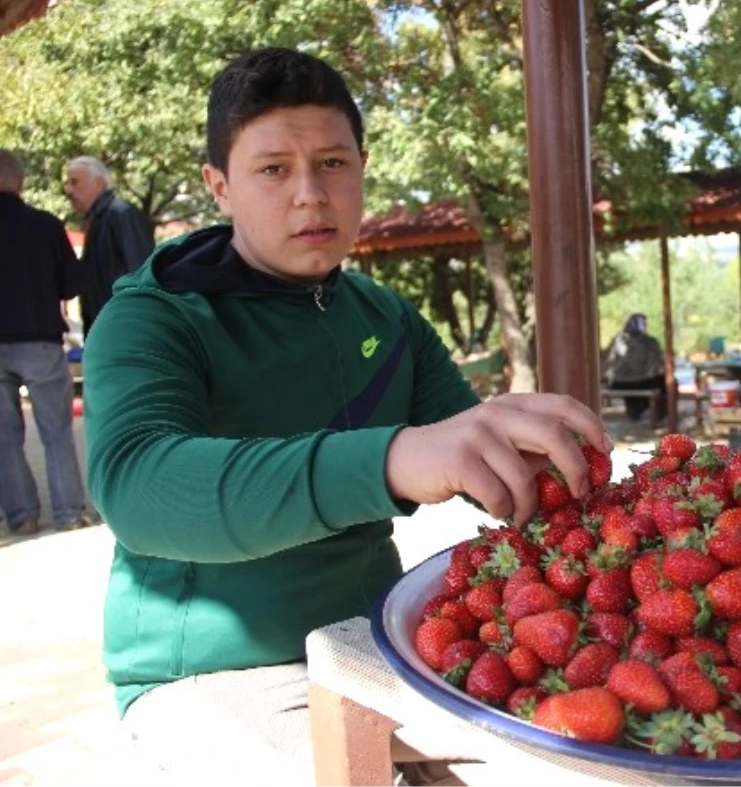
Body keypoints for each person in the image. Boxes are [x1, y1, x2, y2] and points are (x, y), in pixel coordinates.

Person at [83, 48, 611, 785]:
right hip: (210, 672)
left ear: (362, 166)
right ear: (219, 186)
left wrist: (566, 472)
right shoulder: (151, 317)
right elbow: (138, 488)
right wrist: (392, 458)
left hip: (378, 643)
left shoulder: (385, 316)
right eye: (273, 169)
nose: (311, 194)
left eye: (333, 163)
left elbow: (473, 453)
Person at [0, 150, 92, 535]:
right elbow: (73, 283)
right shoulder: (45, 225)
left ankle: (22, 516)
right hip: (39, 337)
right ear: (20, 181)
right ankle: (70, 512)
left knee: (4, 437)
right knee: (56, 432)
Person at [64, 156, 156, 335]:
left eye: (75, 182)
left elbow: (141, 272)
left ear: (98, 184)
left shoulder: (120, 214)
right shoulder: (98, 219)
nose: (68, 190)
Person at [602, 313, 667, 423]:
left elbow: (606, 361)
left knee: (633, 380)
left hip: (616, 384)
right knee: (663, 381)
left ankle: (636, 410)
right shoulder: (650, 342)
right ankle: (659, 413)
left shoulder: (616, 340)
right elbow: (657, 364)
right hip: (642, 383)